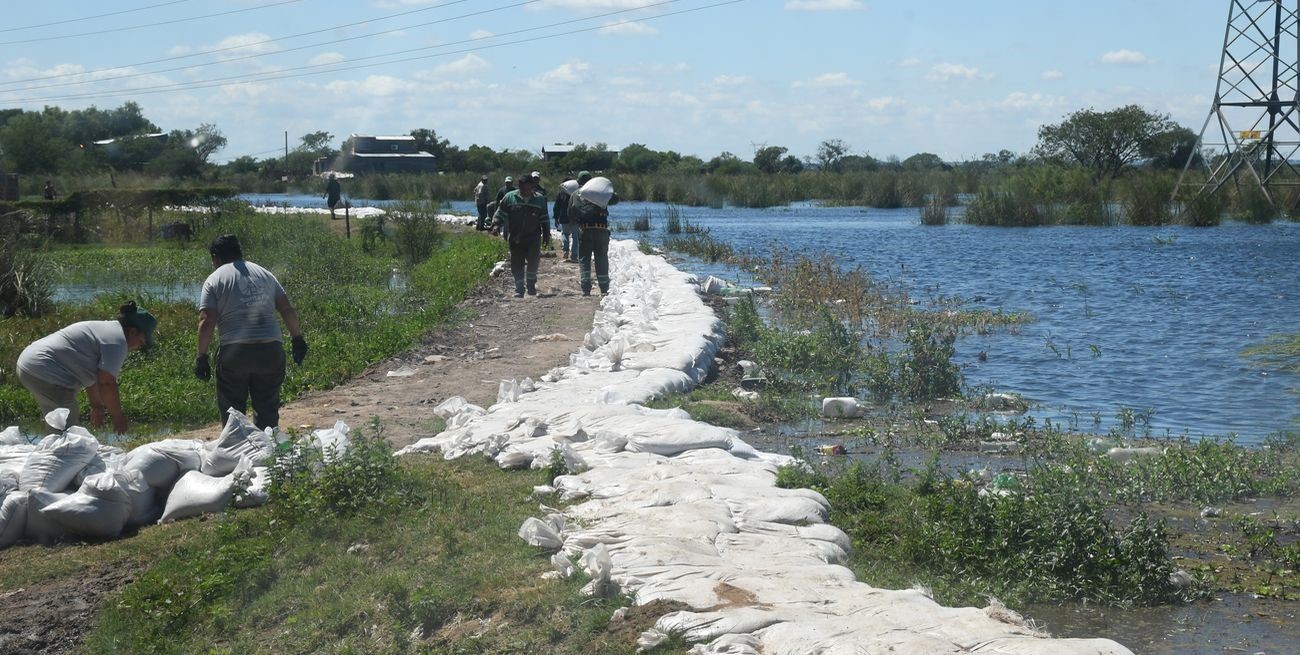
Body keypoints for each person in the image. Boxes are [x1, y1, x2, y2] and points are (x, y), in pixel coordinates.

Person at [194, 234, 308, 430]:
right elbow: (286, 308)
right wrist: (297, 338)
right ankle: (268, 453)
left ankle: (237, 451)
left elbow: (207, 320)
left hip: (235, 353)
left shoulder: (214, 279)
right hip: (271, 350)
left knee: (233, 414)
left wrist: (201, 356)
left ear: (216, 257)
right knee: (267, 410)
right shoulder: (265, 274)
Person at [16, 301, 157, 434]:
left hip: (30, 363)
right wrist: (118, 417)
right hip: (44, 368)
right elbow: (106, 382)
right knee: (65, 426)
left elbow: (94, 378)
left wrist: (97, 406)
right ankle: (63, 456)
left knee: (58, 422)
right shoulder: (117, 342)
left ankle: (57, 455)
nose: (138, 347)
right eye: (141, 341)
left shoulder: (106, 330)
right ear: (132, 332)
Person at [492, 174, 550, 297]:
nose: (525, 192)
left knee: (533, 261)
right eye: (523, 189)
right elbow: (500, 213)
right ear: (519, 186)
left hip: (533, 237)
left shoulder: (539, 199)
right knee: (516, 263)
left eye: (528, 189)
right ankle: (519, 288)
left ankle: (530, 285)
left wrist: (546, 234)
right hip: (515, 237)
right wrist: (496, 225)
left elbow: (544, 219)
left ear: (532, 187)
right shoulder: (510, 197)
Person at [570, 176, 614, 296]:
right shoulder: (601, 192)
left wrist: (577, 225)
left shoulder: (575, 194)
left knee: (585, 260)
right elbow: (615, 199)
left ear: (579, 182)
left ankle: (585, 289)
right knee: (601, 258)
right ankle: (604, 289)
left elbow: (571, 214)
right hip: (601, 230)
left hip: (585, 230)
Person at [553, 177, 579, 262]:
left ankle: (566, 251)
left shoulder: (561, 194)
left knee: (565, 234)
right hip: (574, 218)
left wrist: (556, 218)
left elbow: (556, 207)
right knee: (576, 237)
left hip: (564, 218)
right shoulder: (576, 193)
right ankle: (574, 256)